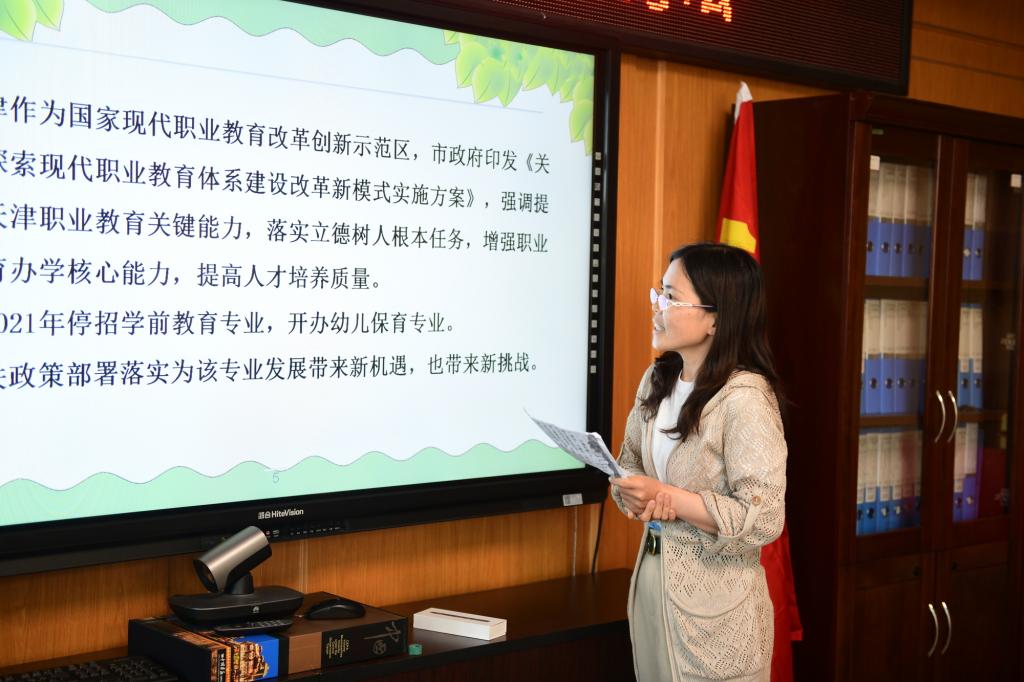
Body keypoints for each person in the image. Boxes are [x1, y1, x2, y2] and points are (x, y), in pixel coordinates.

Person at [609, 242, 787, 681]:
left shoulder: (745, 399)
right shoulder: (657, 379)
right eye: (660, 293)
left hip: (719, 616)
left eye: (672, 298)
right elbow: (629, 461)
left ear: (716, 319)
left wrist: (670, 498)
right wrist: (630, 491)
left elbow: (764, 517)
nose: (657, 307)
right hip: (653, 590)